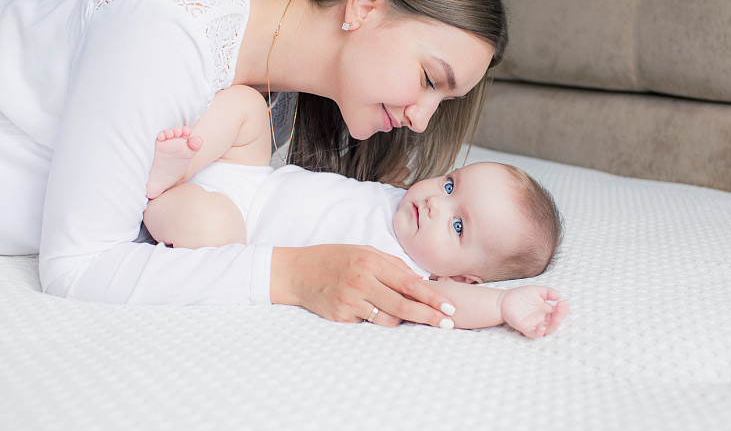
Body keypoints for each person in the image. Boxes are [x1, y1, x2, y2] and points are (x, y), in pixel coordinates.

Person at [0, 0, 508, 329]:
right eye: (427, 80)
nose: (420, 120)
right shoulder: (168, 33)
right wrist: (293, 274)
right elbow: (77, 268)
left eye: (442, 102)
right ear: (365, 5)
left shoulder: (271, 96)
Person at [142, 85, 567, 338]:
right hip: (255, 179)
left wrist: (502, 305)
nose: (437, 202)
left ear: (458, 276)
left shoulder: (407, 275)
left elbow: (449, 305)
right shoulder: (399, 198)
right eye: (451, 184)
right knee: (248, 106)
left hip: (237, 225)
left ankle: (158, 191)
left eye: (458, 225)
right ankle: (186, 159)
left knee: (209, 228)